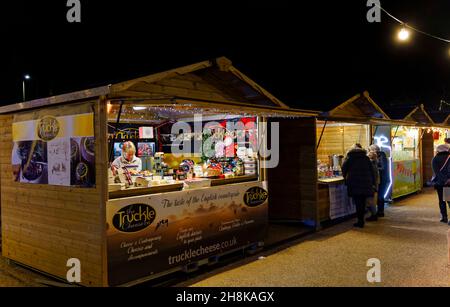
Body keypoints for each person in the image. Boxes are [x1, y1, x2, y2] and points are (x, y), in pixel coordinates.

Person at [342, 144, 376, 228]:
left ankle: (360, 221)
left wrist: (346, 177)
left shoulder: (350, 159)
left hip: (355, 184)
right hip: (366, 184)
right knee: (363, 202)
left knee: (358, 203)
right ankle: (362, 220)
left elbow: (343, 168)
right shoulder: (366, 158)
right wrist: (373, 183)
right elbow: (372, 171)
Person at [431, 144, 450, 224]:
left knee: (441, 200)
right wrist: (447, 179)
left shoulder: (435, 159)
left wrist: (443, 180)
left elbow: (436, 172)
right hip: (449, 183)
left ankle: (444, 217)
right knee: (449, 199)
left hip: (440, 183)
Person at [369, 144, 389, 217]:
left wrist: (375, 168)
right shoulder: (379, 156)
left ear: (374, 150)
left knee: (380, 196)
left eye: (370, 150)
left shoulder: (382, 156)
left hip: (382, 179)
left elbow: (383, 168)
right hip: (381, 178)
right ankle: (380, 211)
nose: (370, 152)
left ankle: (381, 212)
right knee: (379, 195)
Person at [366, 150, 380, 222]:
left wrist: (374, 185)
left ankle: (374, 215)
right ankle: (374, 215)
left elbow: (374, 176)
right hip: (374, 185)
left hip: (372, 185)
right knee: (371, 201)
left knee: (370, 201)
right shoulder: (375, 164)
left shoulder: (371, 164)